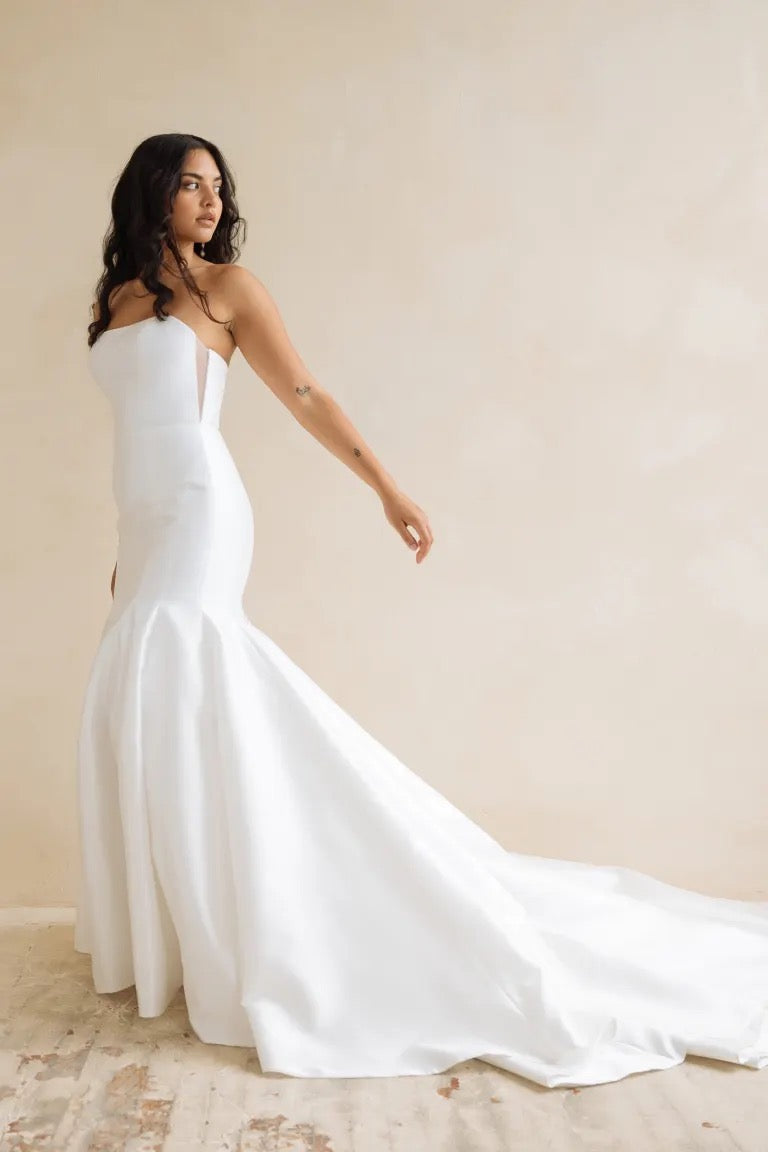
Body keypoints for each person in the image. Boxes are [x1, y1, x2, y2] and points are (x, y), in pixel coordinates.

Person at [76, 132, 768, 1088]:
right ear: (150, 191)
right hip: (145, 524)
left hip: (199, 512)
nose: (208, 199)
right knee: (147, 700)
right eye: (190, 184)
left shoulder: (226, 289)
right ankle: (192, 923)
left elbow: (304, 391)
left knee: (201, 685)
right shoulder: (117, 302)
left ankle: (268, 913)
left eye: (217, 186)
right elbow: (131, 442)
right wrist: (125, 555)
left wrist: (385, 489)